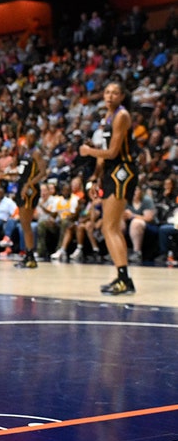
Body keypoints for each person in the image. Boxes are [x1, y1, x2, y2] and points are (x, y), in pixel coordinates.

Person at [79, 81, 139, 295]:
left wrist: (87, 151)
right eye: (107, 92)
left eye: (115, 93)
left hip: (122, 170)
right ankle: (123, 278)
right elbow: (105, 155)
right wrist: (94, 179)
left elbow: (113, 152)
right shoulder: (107, 117)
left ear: (122, 96)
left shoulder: (122, 115)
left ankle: (124, 279)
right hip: (111, 172)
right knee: (109, 227)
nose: (110, 96)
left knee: (110, 227)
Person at [10, 129, 47, 268]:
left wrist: (29, 184)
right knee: (24, 224)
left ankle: (31, 256)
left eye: (32, 137)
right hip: (22, 186)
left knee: (26, 223)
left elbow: (43, 172)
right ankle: (28, 255)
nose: (29, 139)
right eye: (27, 136)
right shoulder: (26, 152)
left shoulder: (36, 153)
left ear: (35, 138)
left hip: (30, 190)